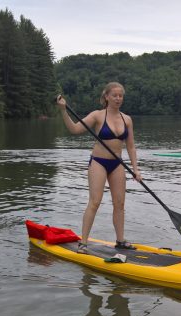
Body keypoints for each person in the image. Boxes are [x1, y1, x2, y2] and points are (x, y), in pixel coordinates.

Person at [55, 82, 141, 254]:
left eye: (120, 96)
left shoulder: (127, 119)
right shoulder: (98, 116)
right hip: (99, 162)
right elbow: (74, 129)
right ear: (107, 97)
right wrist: (64, 110)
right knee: (95, 202)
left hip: (117, 164)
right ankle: (83, 243)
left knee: (120, 203)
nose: (118, 98)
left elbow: (130, 146)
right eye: (115, 95)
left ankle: (120, 240)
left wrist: (136, 169)